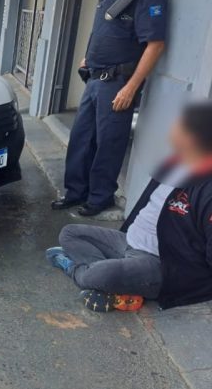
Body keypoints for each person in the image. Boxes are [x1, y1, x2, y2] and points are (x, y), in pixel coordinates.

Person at [46, 101, 212, 312]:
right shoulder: (175, 163)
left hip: (160, 262)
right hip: (129, 241)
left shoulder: (207, 186)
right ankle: (112, 282)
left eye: (178, 125)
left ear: (193, 137)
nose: (170, 129)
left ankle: (77, 270)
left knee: (99, 275)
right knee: (69, 233)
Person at [51, 0, 168, 216]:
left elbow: (155, 45)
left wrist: (131, 88)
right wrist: (87, 57)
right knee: (81, 139)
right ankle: (75, 192)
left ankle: (100, 197)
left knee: (109, 143)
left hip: (118, 83)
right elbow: (101, 30)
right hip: (94, 79)